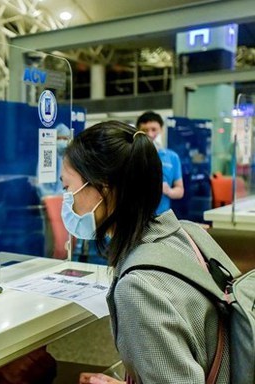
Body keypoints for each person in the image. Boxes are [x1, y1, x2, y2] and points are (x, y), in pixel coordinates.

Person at [60, 121, 229, 383]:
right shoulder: (188, 234)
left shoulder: (138, 288)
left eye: (68, 187)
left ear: (103, 190)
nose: (67, 199)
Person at [135, 111, 184, 215]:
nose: (150, 134)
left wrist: (168, 191)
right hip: (136, 216)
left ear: (161, 130)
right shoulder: (132, 156)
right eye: (145, 130)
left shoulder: (172, 157)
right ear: (138, 132)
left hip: (162, 217)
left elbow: (180, 190)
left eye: (154, 129)